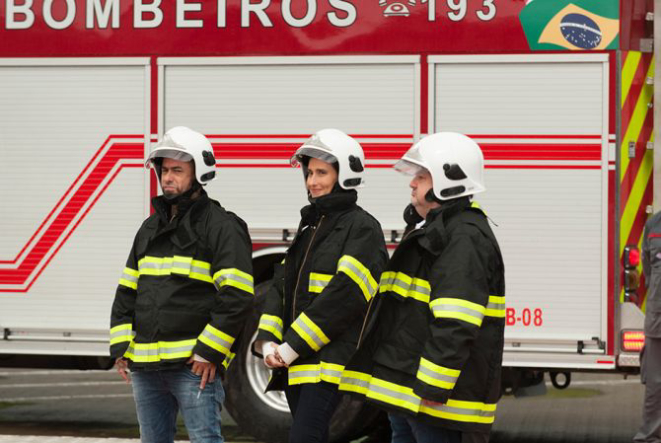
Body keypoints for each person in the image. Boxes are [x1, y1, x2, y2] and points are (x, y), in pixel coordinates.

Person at [339, 132, 506, 443]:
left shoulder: (464, 238)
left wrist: (432, 385)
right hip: (410, 394)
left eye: (421, 175)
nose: (412, 183)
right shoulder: (440, 231)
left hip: (438, 404)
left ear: (449, 178)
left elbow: (456, 321)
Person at [109, 126, 254, 443]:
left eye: (177, 170)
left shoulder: (221, 226)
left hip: (193, 367)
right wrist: (121, 347)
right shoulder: (149, 228)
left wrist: (209, 352)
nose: (167, 178)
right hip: (146, 367)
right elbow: (127, 291)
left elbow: (237, 295)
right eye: (164, 170)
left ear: (198, 174)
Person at [252, 128, 388, 443]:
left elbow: (344, 298)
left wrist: (290, 347)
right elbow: (281, 288)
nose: (312, 180)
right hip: (298, 362)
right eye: (309, 172)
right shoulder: (311, 225)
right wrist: (269, 341)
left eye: (322, 172)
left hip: (329, 363)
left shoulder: (362, 229)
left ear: (346, 174)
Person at [634, 212, 661, 443]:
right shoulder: (653, 225)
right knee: (654, 384)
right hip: (658, 319)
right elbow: (648, 270)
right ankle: (649, 437)